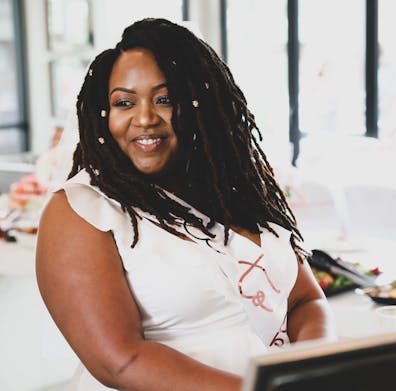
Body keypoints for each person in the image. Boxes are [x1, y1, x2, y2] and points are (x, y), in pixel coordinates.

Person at [36, 18, 335, 391]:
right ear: (103, 114)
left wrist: (311, 371)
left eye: (165, 99)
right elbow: (120, 361)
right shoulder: (81, 210)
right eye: (124, 102)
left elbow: (306, 301)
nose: (144, 118)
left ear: (198, 105)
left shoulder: (236, 190)